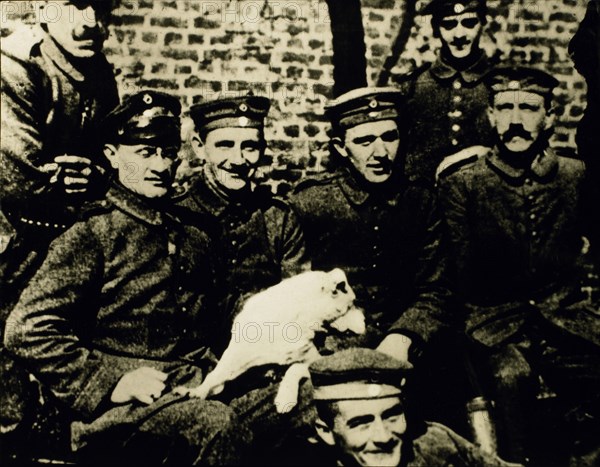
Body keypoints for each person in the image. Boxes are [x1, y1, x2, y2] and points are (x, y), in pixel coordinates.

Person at [3, 91, 247, 465]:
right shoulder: (92, 233)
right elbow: (27, 330)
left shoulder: (193, 231)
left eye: (167, 152)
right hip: (118, 412)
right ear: (112, 155)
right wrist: (110, 381)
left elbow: (221, 314)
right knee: (215, 424)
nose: (161, 165)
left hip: (198, 386)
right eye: (145, 153)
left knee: (311, 401)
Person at [438, 66, 600, 465]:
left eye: (528, 108)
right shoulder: (465, 184)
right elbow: (458, 273)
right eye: (504, 108)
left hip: (566, 319)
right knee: (512, 380)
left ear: (550, 116)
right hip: (494, 326)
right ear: (490, 116)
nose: (515, 121)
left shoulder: (574, 175)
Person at [0, 0, 119, 449]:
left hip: (58, 229)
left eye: (99, 8)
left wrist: (94, 177)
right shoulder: (15, 66)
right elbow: (17, 178)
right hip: (12, 235)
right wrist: (83, 194)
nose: (88, 22)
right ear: (43, 12)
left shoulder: (98, 72)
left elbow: (110, 155)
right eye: (72, 6)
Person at [290, 86, 451, 364]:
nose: (381, 152)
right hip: (336, 343)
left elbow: (436, 290)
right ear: (341, 148)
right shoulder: (311, 202)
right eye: (365, 141)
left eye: (390, 137)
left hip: (410, 340)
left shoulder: (421, 200)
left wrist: (404, 335)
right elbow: (295, 290)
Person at [177, 95, 310, 352]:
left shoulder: (278, 217)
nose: (238, 160)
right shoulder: (178, 214)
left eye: (250, 147)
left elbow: (298, 302)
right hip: (196, 359)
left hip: (268, 352)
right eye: (225, 146)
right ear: (199, 146)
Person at [304, 348, 514, 466]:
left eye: (392, 416)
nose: (384, 437)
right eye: (362, 423)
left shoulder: (435, 443)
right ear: (326, 432)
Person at [397, 0, 497, 186]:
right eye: (449, 24)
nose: (459, 34)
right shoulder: (414, 85)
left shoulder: (498, 83)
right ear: (436, 29)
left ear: (483, 24)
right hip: (422, 203)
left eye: (469, 23)